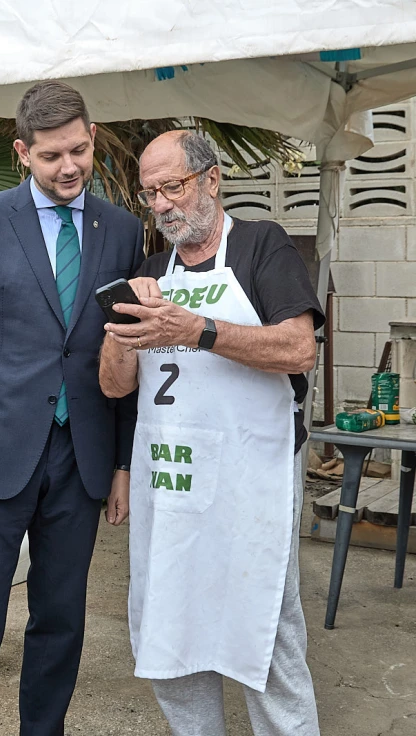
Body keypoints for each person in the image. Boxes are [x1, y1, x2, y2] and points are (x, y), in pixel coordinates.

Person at [0, 80, 145, 736]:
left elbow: (129, 357)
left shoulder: (123, 230)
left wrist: (123, 465)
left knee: (61, 620)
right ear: (23, 152)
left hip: (82, 459)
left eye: (78, 150)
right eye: (52, 156)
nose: (70, 166)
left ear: (92, 137)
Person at [99, 130, 322, 736]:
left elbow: (300, 348)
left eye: (173, 186)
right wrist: (122, 325)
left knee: (265, 636)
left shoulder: (260, 246)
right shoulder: (150, 272)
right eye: (151, 194)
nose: (163, 204)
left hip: (250, 484)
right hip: (171, 487)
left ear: (212, 180)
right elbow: (116, 386)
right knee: (174, 632)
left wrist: (198, 328)